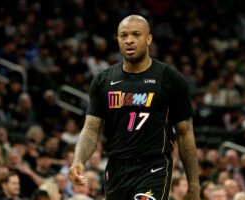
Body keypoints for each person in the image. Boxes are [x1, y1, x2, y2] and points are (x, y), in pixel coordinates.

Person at [67, 15, 200, 200]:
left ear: (148, 39)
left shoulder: (170, 79)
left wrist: (193, 184)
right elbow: (90, 128)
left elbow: (185, 133)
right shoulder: (103, 80)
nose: (129, 40)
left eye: (136, 34)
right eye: (124, 35)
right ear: (118, 39)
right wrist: (78, 161)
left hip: (154, 167)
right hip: (116, 168)